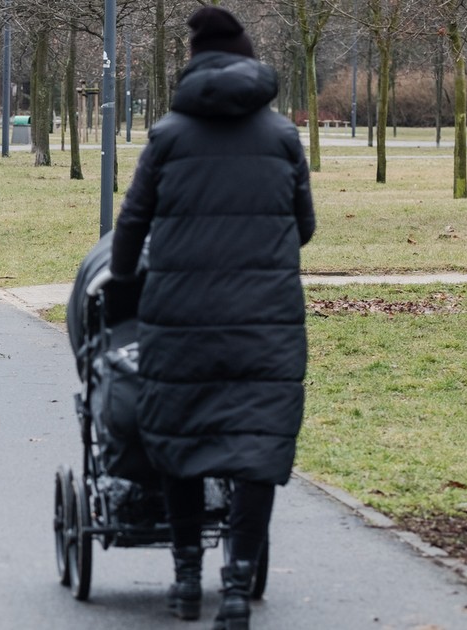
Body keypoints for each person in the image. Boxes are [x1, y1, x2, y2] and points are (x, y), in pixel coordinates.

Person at [108, 7, 316, 630]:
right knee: (255, 448)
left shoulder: (169, 136)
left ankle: (183, 581)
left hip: (180, 320)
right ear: (250, 62)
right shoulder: (281, 135)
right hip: (265, 323)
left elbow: (131, 228)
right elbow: (303, 227)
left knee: (180, 440)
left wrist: (123, 289)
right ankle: (236, 585)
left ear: (193, 65)